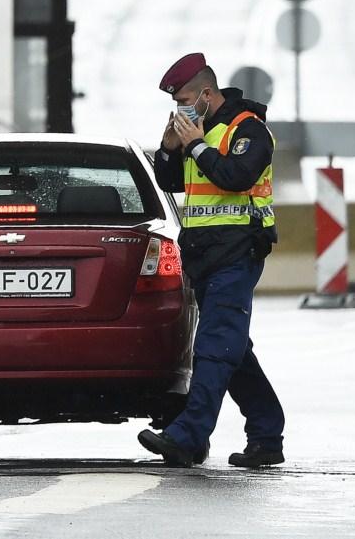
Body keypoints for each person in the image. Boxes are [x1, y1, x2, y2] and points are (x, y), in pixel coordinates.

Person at [138, 53, 286, 468]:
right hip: (204, 255)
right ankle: (266, 431)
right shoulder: (197, 132)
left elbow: (235, 176)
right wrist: (169, 150)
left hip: (239, 250)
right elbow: (173, 182)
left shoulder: (248, 129)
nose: (180, 109)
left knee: (215, 346)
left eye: (185, 99)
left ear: (206, 93)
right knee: (232, 348)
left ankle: (187, 435)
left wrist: (196, 145)